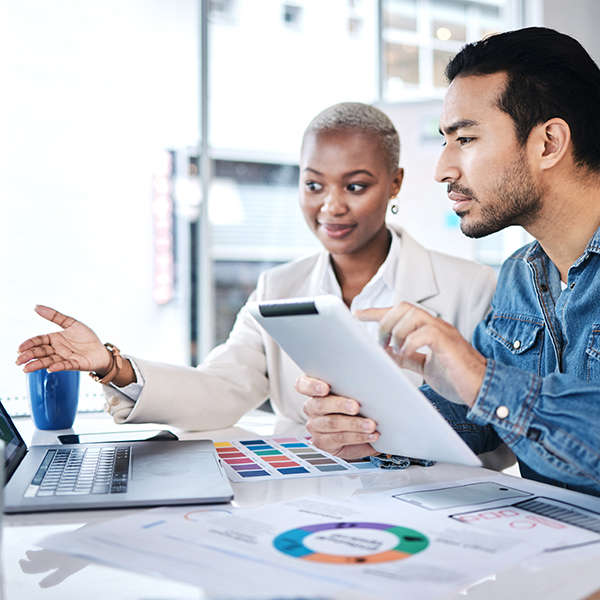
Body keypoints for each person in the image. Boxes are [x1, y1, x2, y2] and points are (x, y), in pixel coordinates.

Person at [16, 102, 495, 434]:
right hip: (304, 501)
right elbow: (221, 388)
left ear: (394, 185)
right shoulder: (278, 286)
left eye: (355, 186)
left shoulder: (471, 289)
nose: (331, 207)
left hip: (426, 508)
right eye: (313, 186)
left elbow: (491, 432)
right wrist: (111, 365)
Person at [299, 28, 600, 496]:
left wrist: (481, 380)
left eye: (465, 138)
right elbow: (480, 422)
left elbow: (493, 396)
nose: (443, 169)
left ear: (548, 143)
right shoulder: (522, 275)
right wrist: (369, 427)